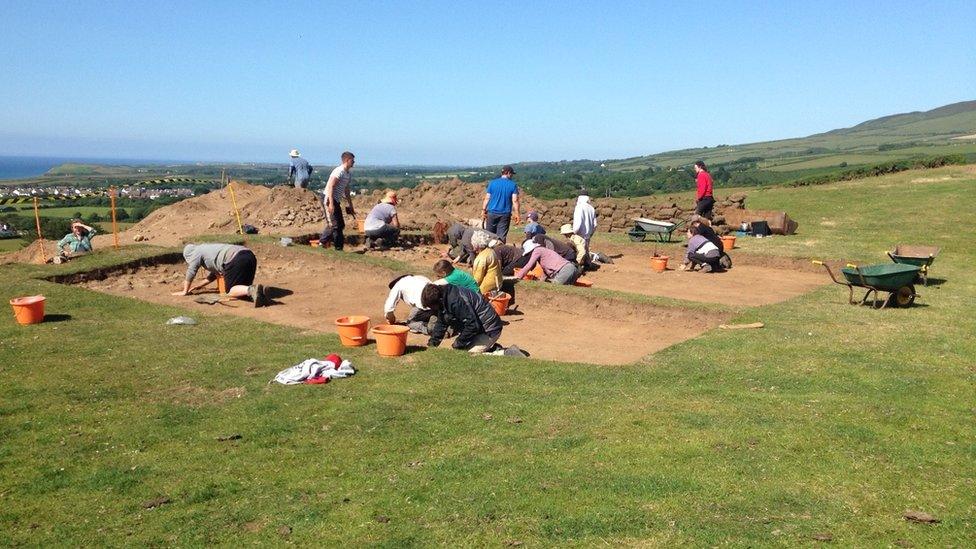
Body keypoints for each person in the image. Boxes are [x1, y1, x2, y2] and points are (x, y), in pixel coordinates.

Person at [174, 243, 267, 307]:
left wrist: (185, 291)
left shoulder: (195, 253)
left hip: (236, 258)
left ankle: (251, 289)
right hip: (249, 255)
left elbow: (191, 271)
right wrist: (197, 286)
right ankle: (258, 292)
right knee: (241, 290)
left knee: (230, 291)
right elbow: (214, 275)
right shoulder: (206, 249)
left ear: (188, 256)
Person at [421, 283, 503, 354]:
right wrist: (432, 344)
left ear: (439, 300)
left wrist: (459, 343)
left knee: (468, 355)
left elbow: (473, 326)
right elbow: (442, 322)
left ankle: (501, 352)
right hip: (478, 328)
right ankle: (490, 348)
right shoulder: (444, 297)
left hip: (489, 330)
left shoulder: (456, 301)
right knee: (460, 351)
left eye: (433, 307)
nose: (433, 310)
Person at [321, 151, 357, 251]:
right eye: (352, 160)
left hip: (336, 200)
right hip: (329, 198)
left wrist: (350, 205)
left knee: (340, 225)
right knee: (334, 225)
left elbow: (346, 190)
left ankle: (339, 248)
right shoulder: (339, 171)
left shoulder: (347, 174)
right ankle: (322, 242)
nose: (354, 162)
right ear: (347, 160)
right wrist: (331, 203)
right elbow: (331, 187)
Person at [482, 165, 521, 242]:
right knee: (501, 237)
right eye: (512, 174)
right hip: (504, 215)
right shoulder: (513, 185)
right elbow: (515, 201)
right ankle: (500, 252)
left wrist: (483, 210)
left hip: (492, 213)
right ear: (508, 173)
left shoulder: (492, 183)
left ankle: (488, 252)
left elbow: (487, 198)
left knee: (489, 236)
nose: (512, 176)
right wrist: (517, 214)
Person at [470, 230, 503, 295]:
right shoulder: (491, 251)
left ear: (476, 245)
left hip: (487, 288)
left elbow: (477, 280)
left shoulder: (481, 258)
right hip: (498, 282)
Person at [572, 189, 597, 259]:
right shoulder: (592, 208)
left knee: (580, 253)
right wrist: (590, 234)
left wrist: (574, 233)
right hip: (588, 236)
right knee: (586, 253)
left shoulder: (579, 207)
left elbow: (578, 223)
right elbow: (595, 225)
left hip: (579, 235)